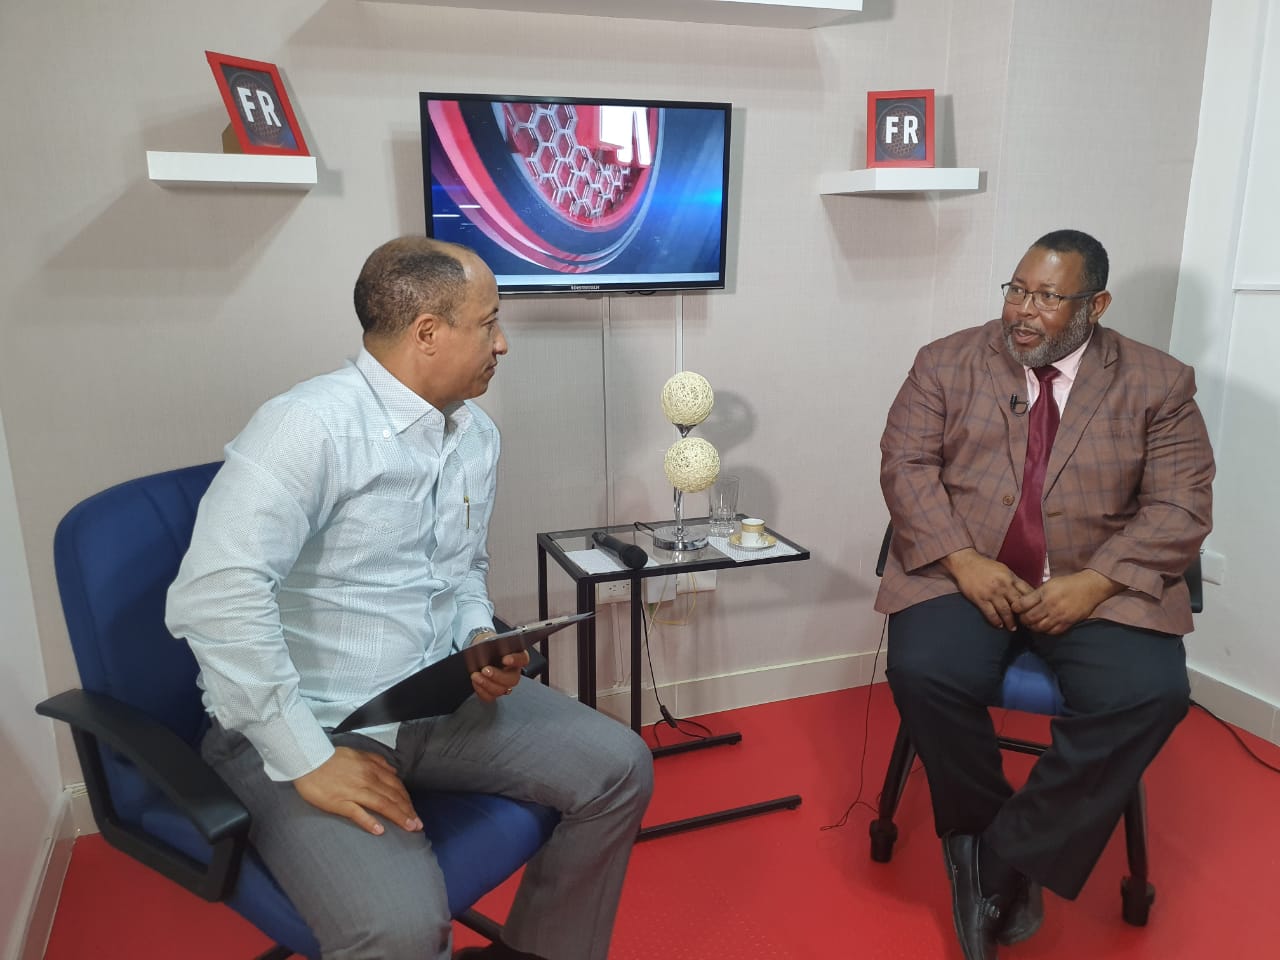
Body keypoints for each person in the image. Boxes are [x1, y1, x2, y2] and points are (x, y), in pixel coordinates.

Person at [166, 236, 654, 960]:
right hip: (314, 719)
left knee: (621, 767)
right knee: (398, 931)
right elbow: (215, 598)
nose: (502, 343)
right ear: (428, 332)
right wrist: (307, 759)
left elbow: (461, 569)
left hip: (434, 699)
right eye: (488, 323)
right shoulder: (308, 427)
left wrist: (475, 638)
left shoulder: (474, 435)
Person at [875, 229, 1214, 960]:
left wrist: (1095, 582)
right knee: (924, 671)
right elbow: (905, 467)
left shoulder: (1158, 382)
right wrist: (962, 559)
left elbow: (1181, 507)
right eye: (1017, 290)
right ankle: (986, 833)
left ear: (1096, 304)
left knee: (1151, 694)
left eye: (1048, 298)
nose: (1023, 312)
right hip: (969, 570)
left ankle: (1000, 859)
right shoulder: (944, 361)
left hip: (1096, 579)